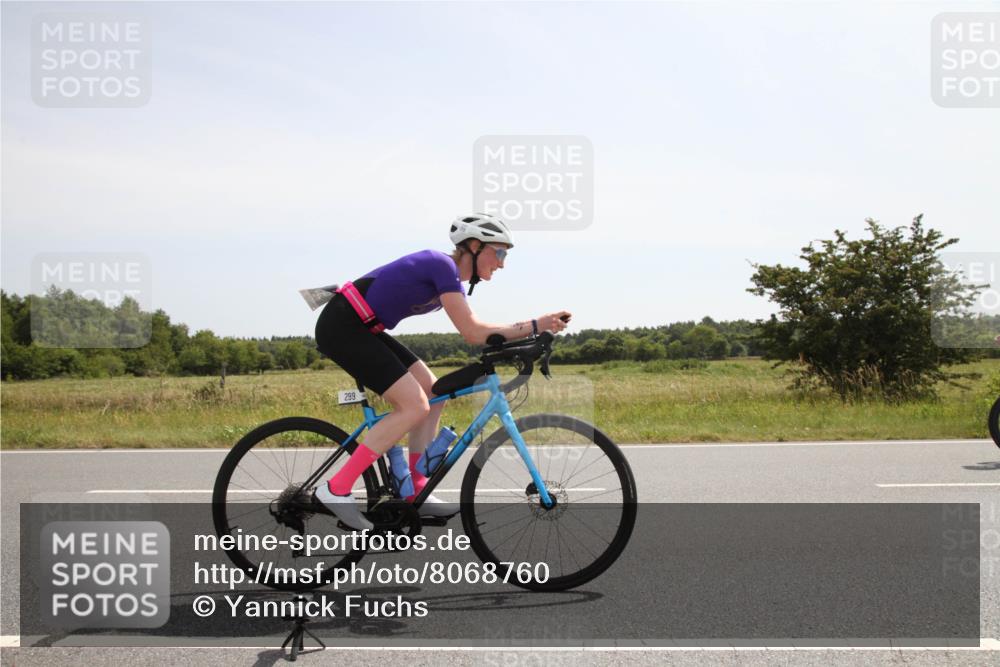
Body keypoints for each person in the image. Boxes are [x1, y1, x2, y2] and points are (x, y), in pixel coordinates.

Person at [313, 213, 572, 530]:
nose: (502, 263)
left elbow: (480, 332)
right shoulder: (442, 266)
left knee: (435, 393)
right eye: (500, 252)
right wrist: (536, 324)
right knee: (414, 405)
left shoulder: (451, 280)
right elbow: (473, 332)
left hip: (364, 327)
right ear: (475, 246)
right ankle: (336, 488)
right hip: (343, 326)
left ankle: (415, 488)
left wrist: (530, 338)